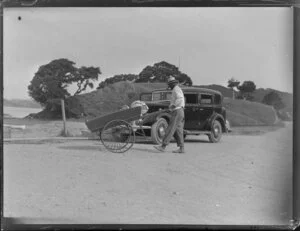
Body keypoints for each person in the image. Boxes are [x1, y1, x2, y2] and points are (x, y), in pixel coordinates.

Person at [154, 76, 185, 153]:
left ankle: (163, 146)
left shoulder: (176, 89)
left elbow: (180, 98)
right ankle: (182, 148)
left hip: (177, 111)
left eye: (169, 84)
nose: (169, 86)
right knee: (178, 130)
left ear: (172, 84)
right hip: (180, 111)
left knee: (170, 128)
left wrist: (173, 105)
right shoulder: (176, 89)